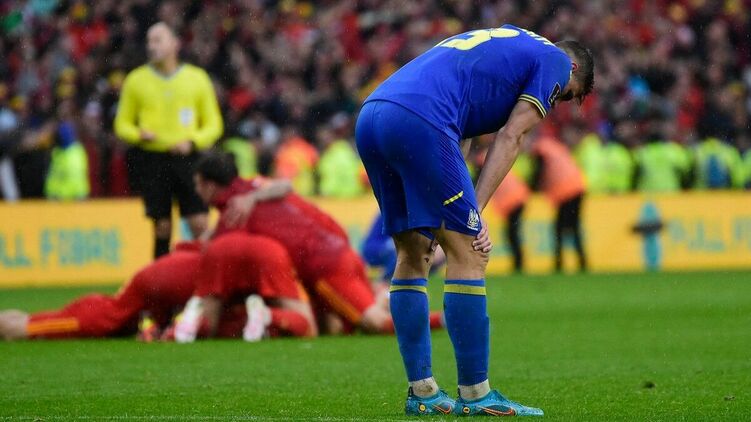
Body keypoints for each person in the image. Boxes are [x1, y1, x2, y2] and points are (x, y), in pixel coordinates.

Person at [355, 25, 593, 416]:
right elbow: (511, 137)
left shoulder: (509, 42)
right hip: (422, 120)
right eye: (566, 95)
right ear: (573, 68)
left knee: (414, 253)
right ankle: (476, 394)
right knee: (470, 252)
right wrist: (474, 212)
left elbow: (460, 134)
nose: (556, 102)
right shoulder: (554, 60)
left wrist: (454, 208)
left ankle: (423, 392)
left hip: (375, 114)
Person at [194, 151, 413, 335]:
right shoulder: (254, 186)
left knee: (374, 323)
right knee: (338, 324)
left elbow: (217, 251)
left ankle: (429, 320)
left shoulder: (234, 212)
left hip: (324, 266)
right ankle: (386, 295)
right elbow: (285, 185)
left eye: (197, 184)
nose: (195, 190)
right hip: (336, 247)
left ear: (210, 185)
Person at [0, 237, 314, 341]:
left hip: (165, 279)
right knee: (98, 320)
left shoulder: (237, 256)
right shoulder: (261, 262)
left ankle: (18, 322)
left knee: (113, 318)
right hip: (154, 284)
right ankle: (15, 326)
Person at [114, 22, 223, 258]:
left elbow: (214, 124)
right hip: (152, 159)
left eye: (158, 40)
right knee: (161, 226)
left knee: (199, 223)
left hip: (189, 159)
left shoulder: (196, 78)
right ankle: (161, 277)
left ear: (175, 44)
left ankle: (210, 272)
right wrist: (138, 134)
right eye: (149, 41)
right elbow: (122, 124)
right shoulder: (136, 80)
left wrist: (192, 142)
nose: (151, 46)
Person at [531, 135, 588, 272]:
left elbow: (540, 171)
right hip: (577, 186)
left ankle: (560, 263)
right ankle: (582, 262)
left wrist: (533, 187)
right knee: (573, 227)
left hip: (566, 191)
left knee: (559, 229)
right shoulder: (554, 147)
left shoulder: (541, 148)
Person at [489, 171, 530, 273]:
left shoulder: (483, 167)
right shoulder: (494, 166)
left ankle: (518, 263)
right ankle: (518, 263)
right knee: (512, 233)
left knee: (512, 234)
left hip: (513, 201)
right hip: (518, 198)